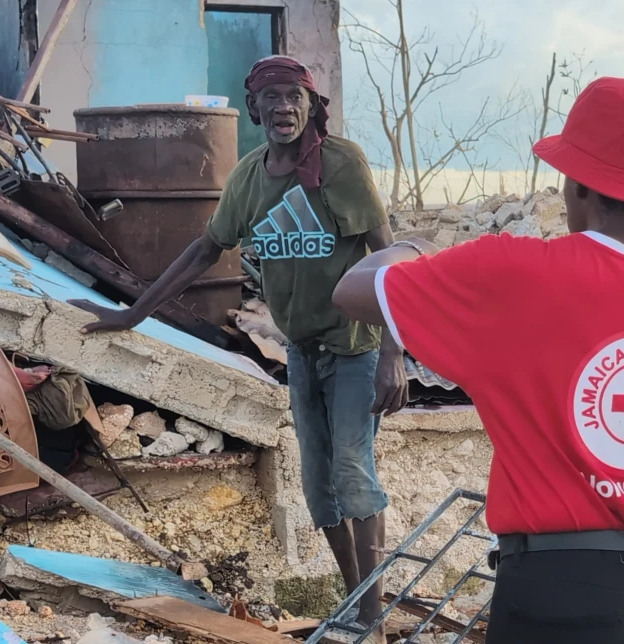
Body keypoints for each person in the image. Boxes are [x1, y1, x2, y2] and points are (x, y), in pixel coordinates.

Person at [330, 77, 624, 643]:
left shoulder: (508, 275)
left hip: (550, 598)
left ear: (577, 182)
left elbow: (353, 288)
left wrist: (419, 250)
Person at [67, 56, 405, 630]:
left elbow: (386, 255)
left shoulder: (342, 164)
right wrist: (130, 316)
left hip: (353, 347)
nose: (283, 107)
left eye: (294, 97)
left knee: (352, 471)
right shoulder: (249, 176)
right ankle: (355, 600)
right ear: (253, 109)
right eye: (271, 97)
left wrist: (394, 354)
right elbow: (204, 251)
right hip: (302, 353)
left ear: (310, 104)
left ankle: (369, 613)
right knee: (318, 486)